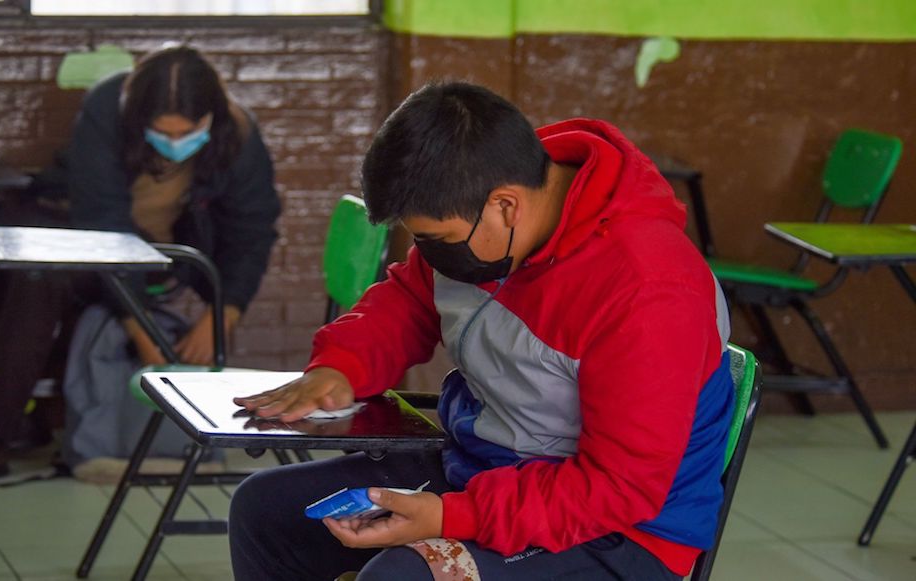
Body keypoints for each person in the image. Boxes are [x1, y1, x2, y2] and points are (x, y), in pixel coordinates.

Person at [228, 81, 732, 581]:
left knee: (398, 578)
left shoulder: (648, 289)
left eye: (437, 238)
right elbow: (408, 300)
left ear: (506, 206)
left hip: (620, 533)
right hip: (484, 468)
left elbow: (619, 489)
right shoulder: (482, 212)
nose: (431, 254)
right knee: (266, 512)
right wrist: (340, 368)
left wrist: (450, 517)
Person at [0, 45, 280, 489]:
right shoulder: (107, 106)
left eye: (187, 133)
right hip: (81, 226)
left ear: (211, 118)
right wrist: (141, 331)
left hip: (158, 257)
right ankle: (10, 418)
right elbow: (102, 226)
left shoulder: (237, 132)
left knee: (39, 274)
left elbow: (253, 231)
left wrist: (222, 315)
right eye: (160, 131)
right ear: (137, 115)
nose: (174, 145)